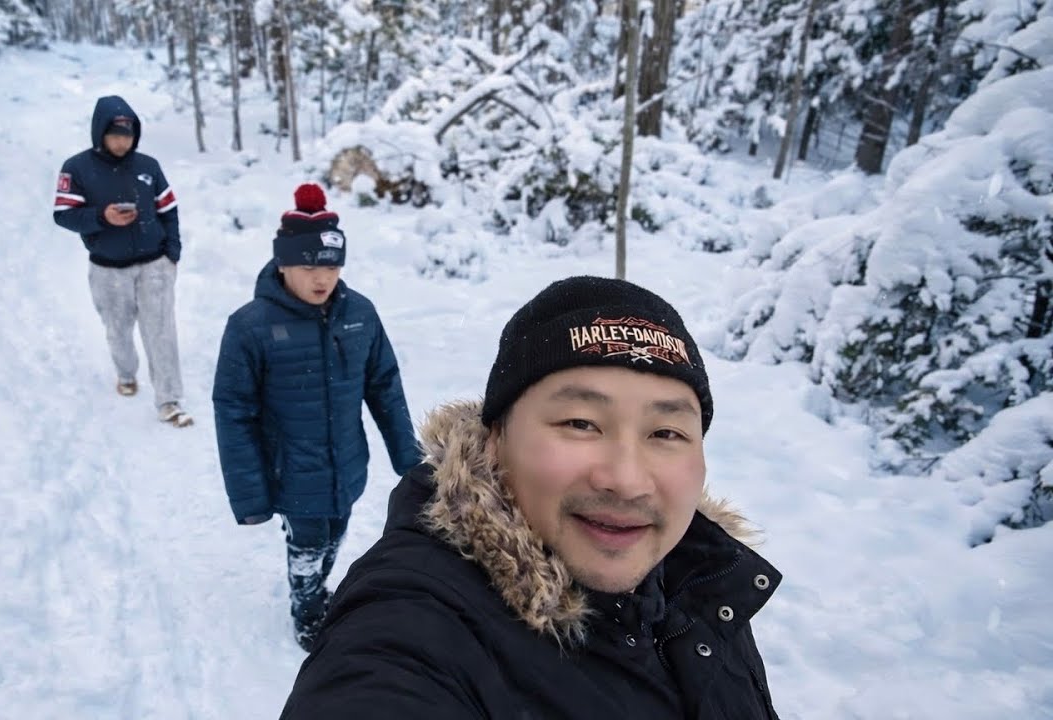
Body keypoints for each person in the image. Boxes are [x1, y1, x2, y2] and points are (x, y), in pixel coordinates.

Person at [281, 276, 783, 719]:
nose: (627, 480)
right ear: (496, 438)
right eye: (580, 423)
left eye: (667, 432)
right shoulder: (417, 622)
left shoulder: (701, 583)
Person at [212, 184, 421, 650]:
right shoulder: (250, 327)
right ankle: (305, 607)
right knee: (308, 543)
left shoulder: (360, 314)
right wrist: (249, 495)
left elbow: (383, 384)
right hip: (291, 472)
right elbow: (233, 412)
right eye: (309, 266)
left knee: (336, 533)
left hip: (346, 465)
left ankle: (316, 582)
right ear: (283, 264)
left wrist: (408, 455)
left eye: (330, 265)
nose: (321, 277)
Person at [52, 95, 192, 427]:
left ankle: (169, 400)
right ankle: (126, 373)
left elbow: (169, 210)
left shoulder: (148, 166)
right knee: (118, 329)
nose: (121, 141)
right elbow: (63, 215)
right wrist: (102, 217)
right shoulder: (77, 168)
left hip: (155, 263)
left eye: (127, 135)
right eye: (115, 134)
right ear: (100, 132)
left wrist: (173, 253)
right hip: (107, 268)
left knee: (161, 331)